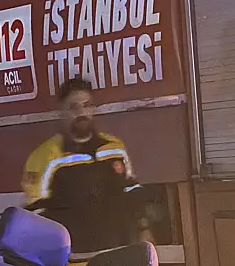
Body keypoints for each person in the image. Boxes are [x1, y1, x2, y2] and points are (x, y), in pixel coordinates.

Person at [21, 78, 144, 252]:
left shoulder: (115, 148)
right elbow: (36, 213)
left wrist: (144, 228)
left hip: (119, 253)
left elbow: (132, 192)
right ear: (61, 111)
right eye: (73, 107)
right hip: (74, 259)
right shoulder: (43, 157)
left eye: (87, 105)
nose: (81, 113)